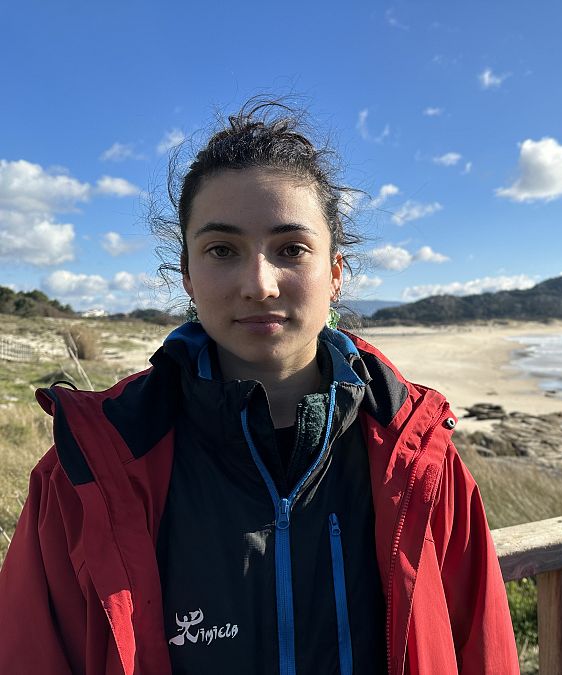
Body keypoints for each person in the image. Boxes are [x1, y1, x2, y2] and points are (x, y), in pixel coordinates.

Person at [0, 100, 519, 675]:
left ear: (336, 273)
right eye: (223, 250)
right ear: (188, 274)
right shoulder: (85, 476)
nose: (260, 284)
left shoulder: (423, 462)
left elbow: (482, 650)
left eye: (291, 249)